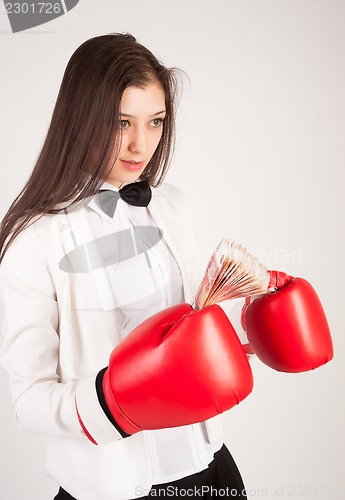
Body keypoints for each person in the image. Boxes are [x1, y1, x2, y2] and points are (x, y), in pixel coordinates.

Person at [0, 33, 252, 500]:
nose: (141, 144)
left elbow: (186, 325)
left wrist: (250, 321)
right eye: (121, 122)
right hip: (112, 487)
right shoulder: (34, 240)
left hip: (209, 466)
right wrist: (115, 402)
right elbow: (27, 400)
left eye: (155, 122)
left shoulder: (172, 205)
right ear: (81, 121)